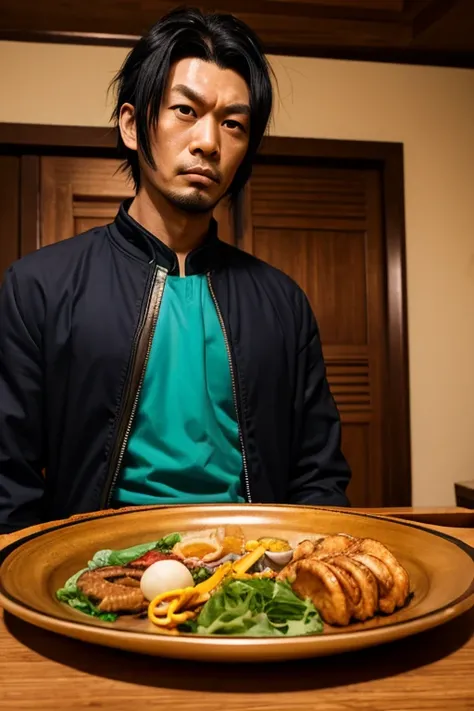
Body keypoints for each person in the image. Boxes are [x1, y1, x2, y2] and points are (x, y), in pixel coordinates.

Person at [0, 7, 350, 534]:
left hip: (252, 563)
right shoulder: (39, 287)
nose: (208, 142)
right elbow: (9, 486)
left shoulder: (283, 303)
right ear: (131, 124)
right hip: (96, 564)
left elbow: (320, 476)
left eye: (233, 124)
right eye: (186, 110)